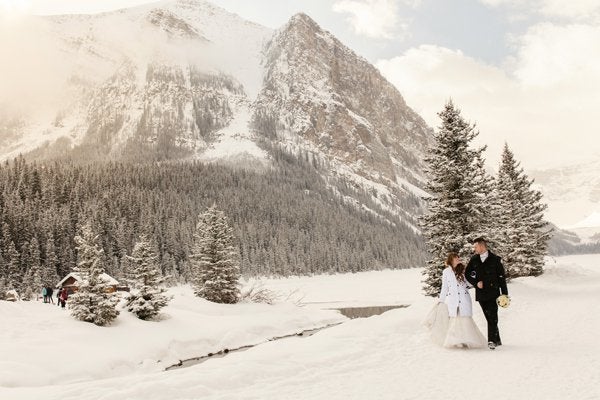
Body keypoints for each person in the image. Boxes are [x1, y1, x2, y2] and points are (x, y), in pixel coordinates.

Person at [465, 237, 508, 350]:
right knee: (489, 317)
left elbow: (501, 278)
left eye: (476, 246)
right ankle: (497, 339)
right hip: (481, 294)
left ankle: (491, 341)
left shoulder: (495, 259)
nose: (474, 248)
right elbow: (467, 274)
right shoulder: (474, 259)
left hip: (493, 292)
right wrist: (475, 283)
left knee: (492, 317)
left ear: (482, 246)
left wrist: (505, 294)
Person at [437, 252, 486, 348]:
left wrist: (475, 281)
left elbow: (469, 283)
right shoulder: (446, 272)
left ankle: (467, 340)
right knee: (455, 320)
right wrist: (441, 300)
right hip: (453, 299)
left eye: (458, 257)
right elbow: (445, 287)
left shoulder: (463, 270)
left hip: (464, 298)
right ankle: (456, 341)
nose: (458, 259)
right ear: (451, 260)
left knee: (465, 320)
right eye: (456, 258)